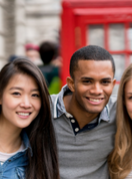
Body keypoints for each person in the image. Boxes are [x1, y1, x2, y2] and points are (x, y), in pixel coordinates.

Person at [50, 45, 117, 178]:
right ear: (71, 83)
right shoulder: (43, 110)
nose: (97, 90)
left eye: (105, 82)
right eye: (87, 81)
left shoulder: (120, 112)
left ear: (113, 84)